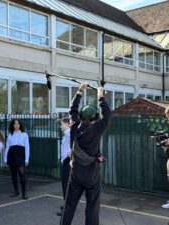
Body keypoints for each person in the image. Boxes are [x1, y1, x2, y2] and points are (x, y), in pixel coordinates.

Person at [61, 83, 111, 225]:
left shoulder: (75, 125)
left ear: (82, 116)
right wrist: (101, 96)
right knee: (92, 207)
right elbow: (107, 114)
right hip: (92, 174)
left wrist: (80, 91)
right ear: (95, 117)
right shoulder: (97, 128)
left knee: (69, 206)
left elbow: (73, 109)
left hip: (76, 172)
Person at [4, 119, 30, 200]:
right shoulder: (9, 135)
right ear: (12, 125)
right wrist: (5, 159)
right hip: (11, 155)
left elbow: (27, 147)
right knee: (13, 174)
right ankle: (16, 191)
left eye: (18, 124)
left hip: (21, 154)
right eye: (15, 124)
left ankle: (24, 193)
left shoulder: (24, 134)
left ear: (20, 125)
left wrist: (27, 159)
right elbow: (7, 147)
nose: (16, 125)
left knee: (22, 173)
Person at [57, 117, 71, 216]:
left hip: (67, 161)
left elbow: (74, 141)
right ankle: (67, 204)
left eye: (61, 124)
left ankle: (67, 208)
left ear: (66, 124)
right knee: (66, 185)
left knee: (66, 185)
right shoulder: (66, 134)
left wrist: (71, 152)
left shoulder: (68, 132)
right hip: (65, 161)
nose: (60, 126)